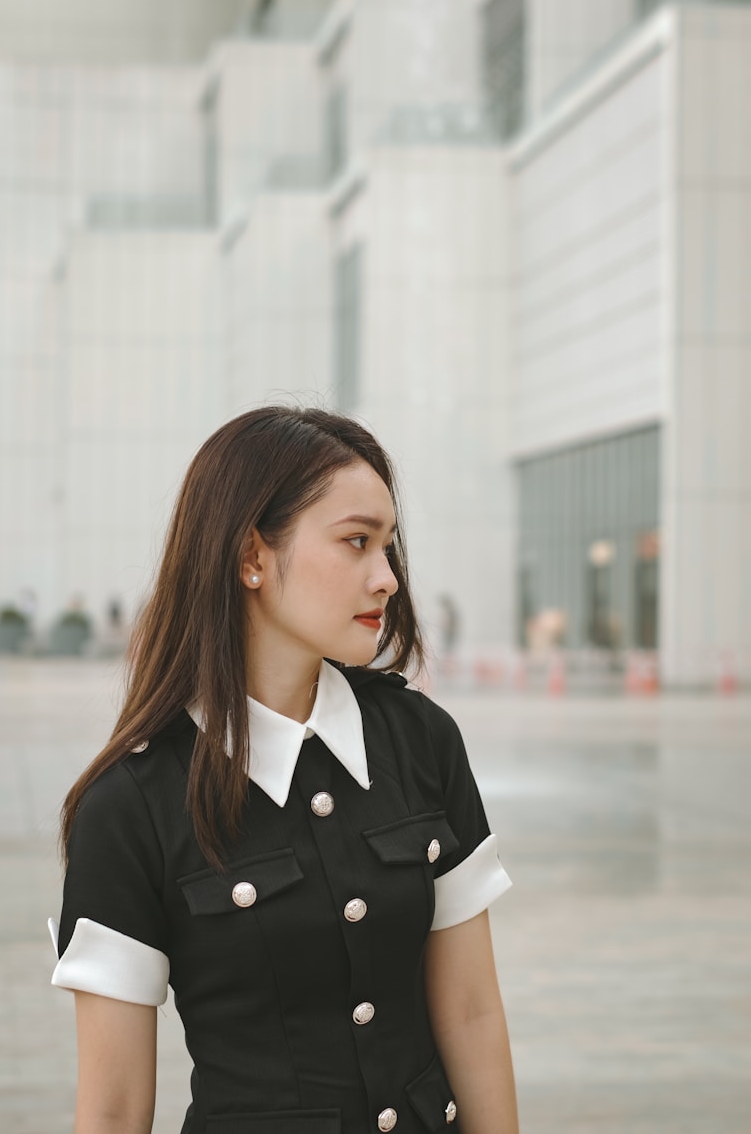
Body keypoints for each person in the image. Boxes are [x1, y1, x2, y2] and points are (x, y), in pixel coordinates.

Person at [50, 406, 518, 1134]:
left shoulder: (421, 741)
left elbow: (472, 1011)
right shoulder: (131, 807)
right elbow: (112, 1111)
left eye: (389, 547)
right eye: (356, 543)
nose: (388, 578)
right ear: (252, 557)